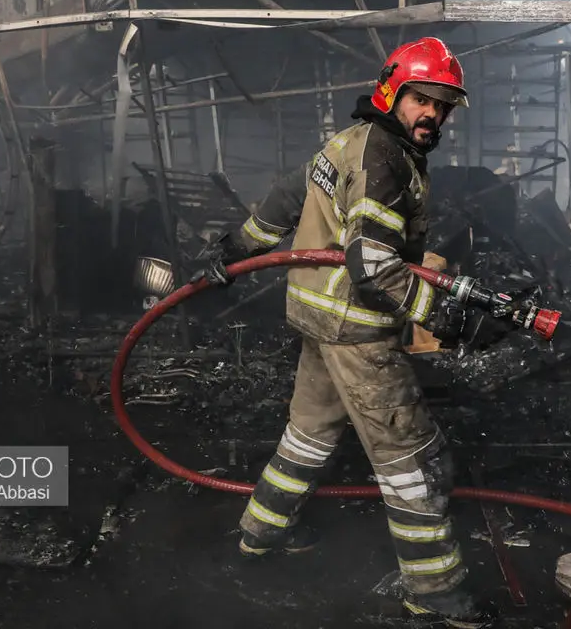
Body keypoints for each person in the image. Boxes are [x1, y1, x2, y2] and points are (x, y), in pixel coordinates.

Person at [199, 37, 493, 628]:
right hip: (355, 330)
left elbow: (286, 200)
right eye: (422, 100)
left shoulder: (349, 142)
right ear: (393, 91)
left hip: (318, 319)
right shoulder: (383, 158)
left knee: (308, 435)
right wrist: (441, 316)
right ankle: (433, 590)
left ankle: (259, 535)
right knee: (414, 459)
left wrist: (234, 249)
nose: (433, 114)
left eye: (443, 106)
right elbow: (374, 266)